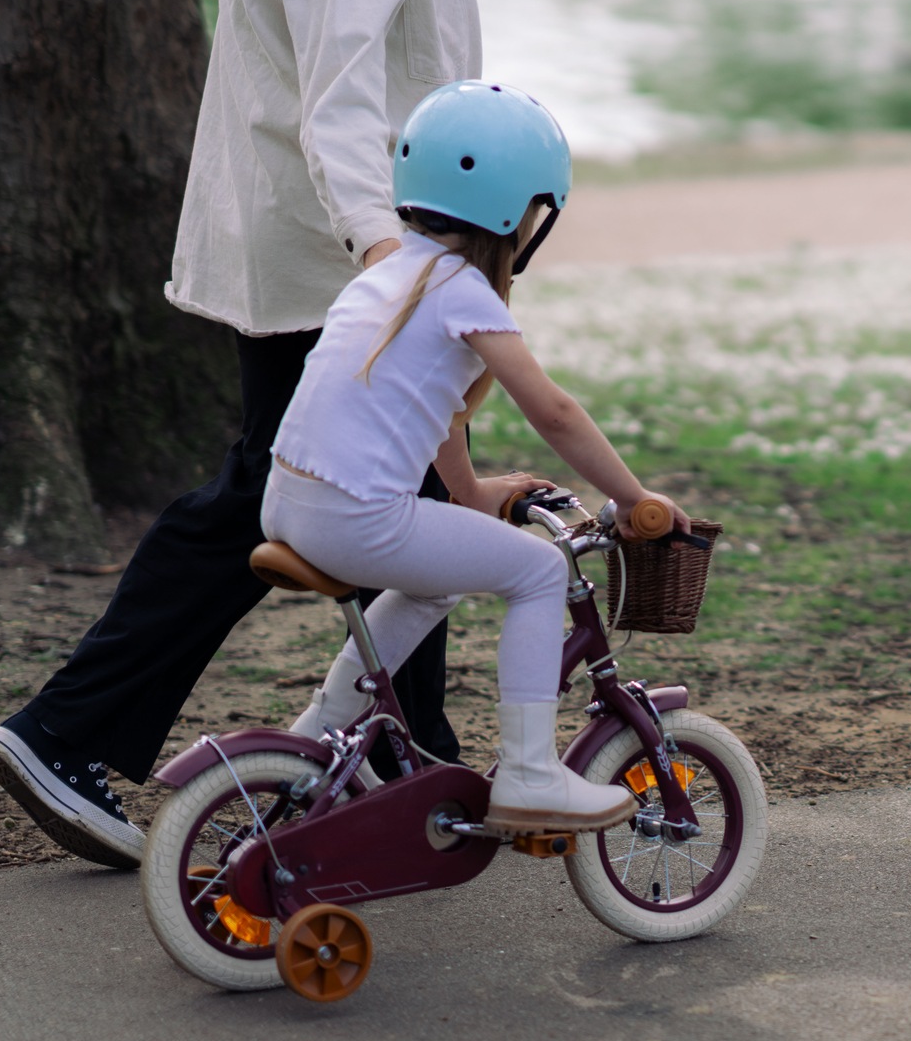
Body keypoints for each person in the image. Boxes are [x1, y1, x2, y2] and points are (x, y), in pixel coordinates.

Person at [0, 0, 539, 869]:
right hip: (334, 250)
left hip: (337, 242)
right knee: (268, 496)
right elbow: (341, 100)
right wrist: (392, 262)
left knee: (392, 494)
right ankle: (65, 732)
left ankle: (405, 759)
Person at [264, 79, 689, 829]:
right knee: (539, 570)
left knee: (436, 584)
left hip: (289, 502)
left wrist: (469, 495)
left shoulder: (389, 274)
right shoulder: (465, 292)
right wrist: (633, 498)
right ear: (517, 211)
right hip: (357, 518)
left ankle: (319, 733)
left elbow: (436, 415)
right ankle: (530, 774)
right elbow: (554, 413)